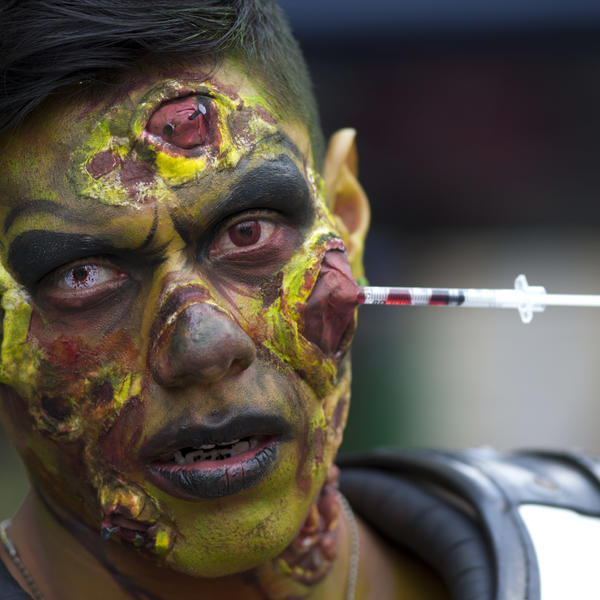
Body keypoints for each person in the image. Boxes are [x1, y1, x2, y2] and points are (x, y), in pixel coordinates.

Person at [3, 2, 600, 600]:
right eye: (81, 275)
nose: (204, 346)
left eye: (248, 232)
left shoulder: (578, 558)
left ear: (345, 218)